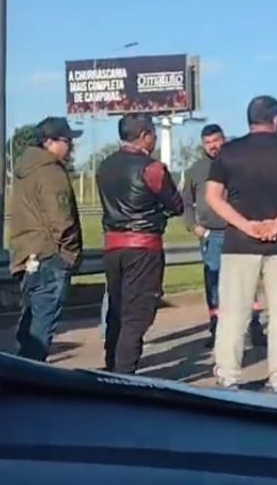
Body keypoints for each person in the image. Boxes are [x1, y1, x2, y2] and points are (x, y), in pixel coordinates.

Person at [206, 95, 277, 395]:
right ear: (276, 119)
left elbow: (213, 196)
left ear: (249, 119)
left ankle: (228, 377)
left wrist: (245, 225)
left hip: (239, 243)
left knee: (233, 313)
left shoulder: (228, 153)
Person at [96, 114, 185, 374]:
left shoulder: (104, 166)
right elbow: (176, 204)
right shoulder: (152, 168)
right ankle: (125, 374)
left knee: (116, 308)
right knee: (138, 314)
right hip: (143, 245)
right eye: (153, 135)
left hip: (112, 245)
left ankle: (112, 364)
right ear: (145, 135)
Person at [181, 123, 266, 349]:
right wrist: (195, 227)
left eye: (216, 141)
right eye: (208, 143)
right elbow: (185, 203)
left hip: (239, 231)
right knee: (215, 285)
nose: (213, 146)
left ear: (224, 139)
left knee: (247, 281)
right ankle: (217, 328)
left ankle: (253, 328)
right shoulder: (196, 170)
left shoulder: (239, 163)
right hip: (212, 235)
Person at [9, 116, 83, 361]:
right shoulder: (51, 173)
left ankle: (21, 369)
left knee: (32, 318)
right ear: (50, 142)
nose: (71, 146)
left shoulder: (24, 171)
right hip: (50, 255)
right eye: (67, 141)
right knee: (42, 326)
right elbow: (62, 220)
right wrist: (69, 256)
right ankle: (29, 379)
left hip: (26, 254)